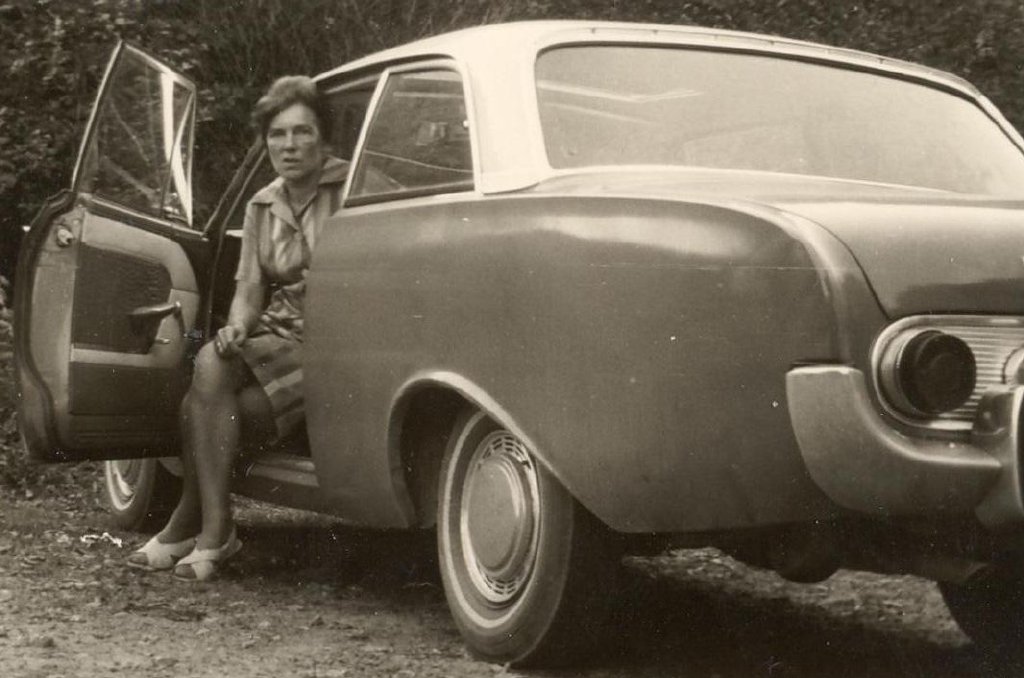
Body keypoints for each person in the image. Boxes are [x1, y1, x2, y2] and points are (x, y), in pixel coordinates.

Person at [126, 75, 348, 581]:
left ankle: (196, 523)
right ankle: (214, 527)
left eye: (302, 132)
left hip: (336, 340)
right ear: (266, 142)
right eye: (277, 135)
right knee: (215, 362)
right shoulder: (262, 204)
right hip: (277, 334)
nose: (289, 145)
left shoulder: (353, 189)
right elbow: (249, 289)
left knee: (201, 406)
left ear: (324, 139)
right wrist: (237, 327)